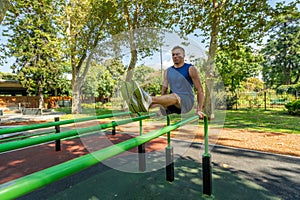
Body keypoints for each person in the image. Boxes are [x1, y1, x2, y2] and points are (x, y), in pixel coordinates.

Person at [121, 46, 204, 118]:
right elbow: (163, 91)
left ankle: (144, 97)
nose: (175, 56)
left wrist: (199, 109)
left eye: (177, 54)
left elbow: (200, 89)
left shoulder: (190, 69)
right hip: (171, 103)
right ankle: (135, 104)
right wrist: (162, 108)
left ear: (183, 55)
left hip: (186, 102)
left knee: (175, 96)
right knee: (148, 104)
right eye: (173, 55)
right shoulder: (167, 71)